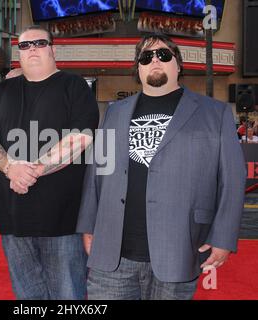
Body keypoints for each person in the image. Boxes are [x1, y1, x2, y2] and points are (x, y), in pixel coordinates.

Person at [77, 34, 246, 300]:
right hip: (112, 252)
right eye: (146, 57)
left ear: (178, 65)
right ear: (139, 68)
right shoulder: (114, 112)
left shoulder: (215, 112)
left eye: (163, 55)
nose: (155, 60)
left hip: (180, 247)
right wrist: (88, 225)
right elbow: (96, 172)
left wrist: (224, 237)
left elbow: (233, 180)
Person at [0, 25, 99, 299]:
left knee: (69, 297)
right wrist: (10, 168)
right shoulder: (2, 91)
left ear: (53, 49)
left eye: (39, 43)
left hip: (63, 223)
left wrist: (33, 170)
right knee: (28, 299)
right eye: (24, 45)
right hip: (13, 221)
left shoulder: (74, 86)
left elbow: (80, 138)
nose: (32, 49)